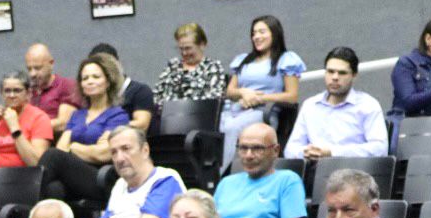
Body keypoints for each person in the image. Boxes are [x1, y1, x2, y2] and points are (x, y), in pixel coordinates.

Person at [41, 55, 130, 205]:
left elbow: (103, 153)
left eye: (96, 77)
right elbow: (61, 148)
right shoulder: (77, 115)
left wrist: (73, 147)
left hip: (100, 178)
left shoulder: (118, 115)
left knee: (52, 155)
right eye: (85, 78)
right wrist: (89, 150)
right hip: (73, 177)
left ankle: (24, 202)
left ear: (108, 82)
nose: (90, 81)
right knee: (53, 189)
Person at [219, 15, 305, 162]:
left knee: (233, 128)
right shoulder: (243, 60)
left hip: (264, 112)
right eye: (254, 33)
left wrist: (259, 98)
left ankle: (226, 171)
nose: (257, 37)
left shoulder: (287, 59)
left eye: (262, 32)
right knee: (215, 125)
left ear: (275, 33)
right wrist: (243, 92)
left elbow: (292, 96)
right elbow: (230, 91)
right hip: (237, 108)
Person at [285, 46, 390, 158]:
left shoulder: (368, 105)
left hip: (353, 167)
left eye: (342, 73)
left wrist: (332, 153)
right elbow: (290, 150)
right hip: (314, 166)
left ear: (354, 75)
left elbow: (380, 149)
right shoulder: (310, 106)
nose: (335, 77)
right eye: (330, 72)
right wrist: (306, 152)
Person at [213, 123, 307, 218]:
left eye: (257, 148)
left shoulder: (287, 181)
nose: (248, 155)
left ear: (275, 151)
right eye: (243, 148)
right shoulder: (226, 183)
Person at [102, 126, 185, 218]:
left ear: (145, 150)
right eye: (114, 152)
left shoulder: (165, 179)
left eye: (126, 149)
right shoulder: (119, 185)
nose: (119, 159)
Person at [0, 71, 52, 170]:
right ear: (2, 94)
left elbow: (36, 163)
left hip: (27, 175)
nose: (12, 95)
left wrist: (15, 128)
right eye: (7, 91)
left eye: (17, 90)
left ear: (28, 93)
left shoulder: (39, 118)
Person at [152, 22, 226, 107]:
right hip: (166, 113)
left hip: (198, 114)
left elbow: (215, 101)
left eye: (188, 48)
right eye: (181, 49)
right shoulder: (172, 66)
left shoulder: (213, 67)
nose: (184, 53)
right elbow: (156, 95)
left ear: (202, 45)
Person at [89, 44, 154, 132]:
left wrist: (107, 127)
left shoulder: (140, 91)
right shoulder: (91, 95)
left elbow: (142, 124)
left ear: (118, 64)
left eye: (108, 67)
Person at [24, 45, 82, 134]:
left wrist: (29, 128)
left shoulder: (66, 85)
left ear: (51, 63)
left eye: (37, 68)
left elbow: (63, 123)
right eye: (29, 69)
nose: (32, 74)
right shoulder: (28, 91)